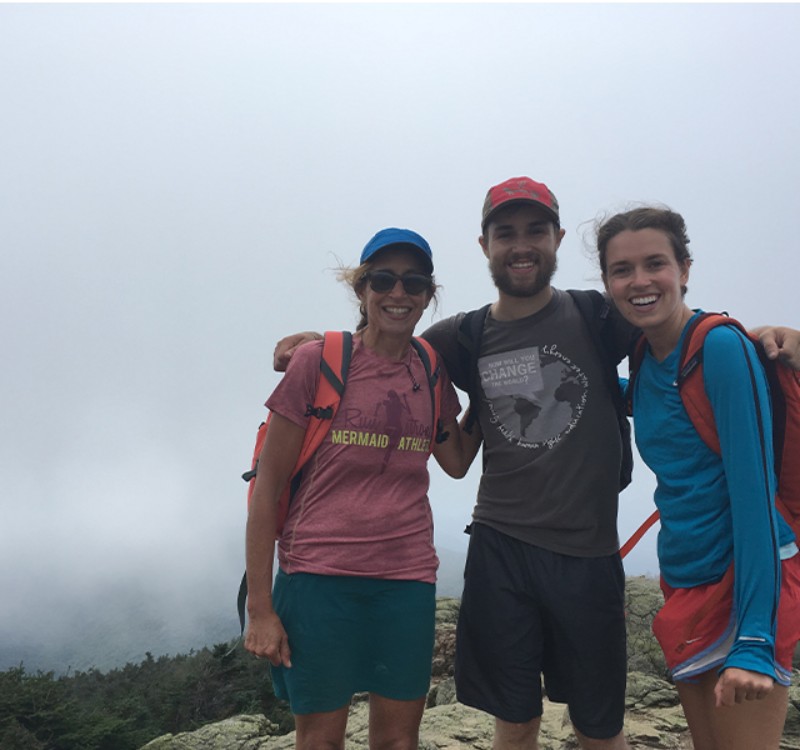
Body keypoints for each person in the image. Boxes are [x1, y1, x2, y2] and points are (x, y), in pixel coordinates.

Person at [273, 178, 800, 750]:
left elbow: (676, 331)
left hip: (589, 553)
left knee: (600, 726)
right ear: (484, 245)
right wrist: (323, 342)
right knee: (514, 721)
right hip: (501, 548)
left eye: (535, 231)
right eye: (506, 233)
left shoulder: (601, 317)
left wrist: (769, 335)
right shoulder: (462, 336)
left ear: (556, 238)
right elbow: (389, 344)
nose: (520, 245)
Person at [244, 228, 480, 750]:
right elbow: (268, 488)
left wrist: (489, 395)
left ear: (428, 294)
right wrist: (260, 608)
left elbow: (457, 461)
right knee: (320, 740)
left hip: (406, 580)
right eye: (384, 279)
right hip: (318, 578)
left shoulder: (428, 368)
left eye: (414, 283)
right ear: (361, 289)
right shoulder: (318, 363)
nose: (399, 293)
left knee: (398, 742)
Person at [596, 206, 800, 750]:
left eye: (655, 263)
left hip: (744, 581)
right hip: (686, 579)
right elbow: (619, 397)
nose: (639, 281)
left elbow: (753, 496)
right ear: (607, 283)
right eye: (622, 270)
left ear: (684, 269)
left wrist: (756, 639)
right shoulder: (645, 357)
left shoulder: (720, 348)